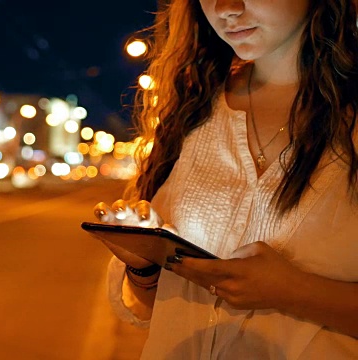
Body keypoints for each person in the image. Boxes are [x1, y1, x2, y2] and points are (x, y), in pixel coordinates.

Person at [93, 0, 358, 358]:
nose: (226, 7)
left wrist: (295, 291)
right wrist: (144, 264)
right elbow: (158, 311)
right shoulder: (194, 108)